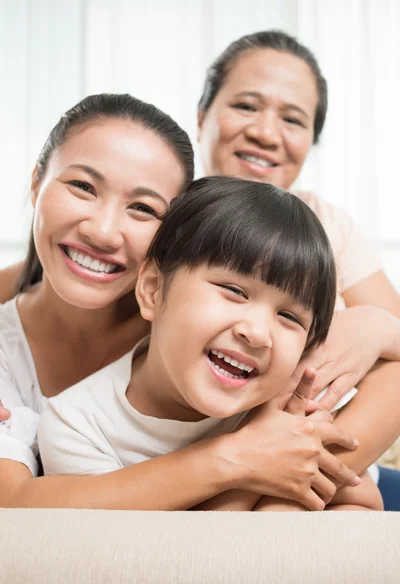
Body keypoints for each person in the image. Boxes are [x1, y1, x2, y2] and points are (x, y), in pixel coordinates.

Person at [0, 93, 360, 511]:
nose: (102, 231)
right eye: (82, 186)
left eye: (142, 208)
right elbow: (13, 503)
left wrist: (380, 327)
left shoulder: (228, 329)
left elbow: (377, 388)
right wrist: (239, 461)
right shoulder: (68, 410)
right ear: (35, 184)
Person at [37, 177, 381, 511]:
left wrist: (278, 512)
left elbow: (364, 502)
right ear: (154, 289)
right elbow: (137, 561)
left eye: (289, 317)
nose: (258, 333)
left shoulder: (294, 396)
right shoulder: (77, 427)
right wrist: (247, 479)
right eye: (234, 291)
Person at [196, 30, 400, 508]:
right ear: (203, 114)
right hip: (219, 468)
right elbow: (34, 284)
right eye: (246, 106)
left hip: (341, 470)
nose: (267, 133)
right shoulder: (158, 216)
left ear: (311, 140)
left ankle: (280, 500)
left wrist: (373, 326)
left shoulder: (329, 224)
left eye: (293, 119)